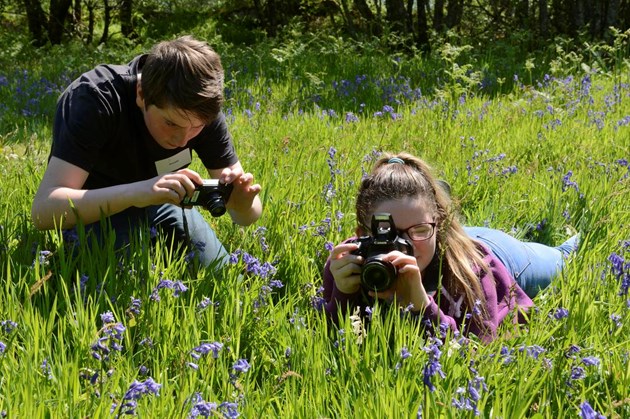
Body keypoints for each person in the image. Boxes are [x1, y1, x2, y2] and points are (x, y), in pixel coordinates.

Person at [31, 35, 262, 268]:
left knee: (218, 274)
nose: (182, 140)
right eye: (171, 124)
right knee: (113, 286)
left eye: (196, 128)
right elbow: (43, 211)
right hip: (95, 210)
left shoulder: (200, 108)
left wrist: (241, 205)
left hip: (163, 204)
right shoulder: (95, 99)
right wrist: (139, 192)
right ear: (141, 94)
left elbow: (248, 214)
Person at [322, 152, 576, 343]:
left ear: (439, 225)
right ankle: (432, 204)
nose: (404, 246)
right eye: (388, 235)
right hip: (439, 242)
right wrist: (342, 295)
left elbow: (481, 348)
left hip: (498, 253)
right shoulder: (349, 261)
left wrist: (424, 306)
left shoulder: (473, 269)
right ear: (361, 236)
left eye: (417, 230)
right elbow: (337, 339)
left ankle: (576, 236)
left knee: (564, 256)